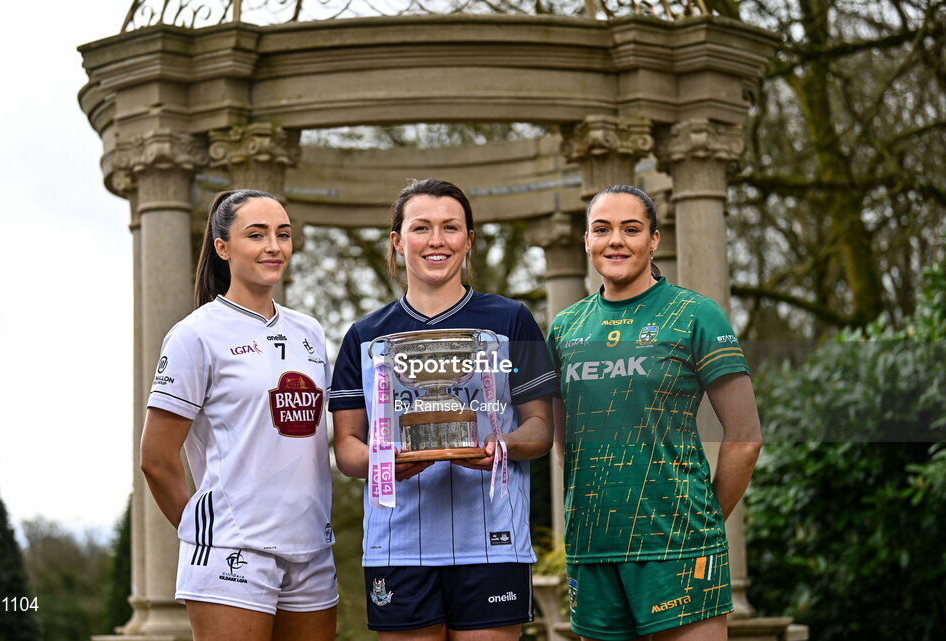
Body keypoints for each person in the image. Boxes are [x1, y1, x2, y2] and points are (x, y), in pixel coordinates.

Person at [330, 178, 557, 640]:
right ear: (398, 241)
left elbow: (540, 431)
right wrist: (385, 462)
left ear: (468, 240)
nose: (437, 241)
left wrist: (502, 445)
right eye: (421, 228)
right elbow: (347, 449)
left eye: (451, 228)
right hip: (396, 547)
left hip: (494, 542)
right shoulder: (364, 336)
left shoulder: (510, 319)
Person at [547, 185, 762, 641]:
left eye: (631, 229)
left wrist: (700, 520)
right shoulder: (564, 328)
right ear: (586, 241)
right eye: (602, 229)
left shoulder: (695, 314)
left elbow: (745, 435)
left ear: (655, 239)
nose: (616, 241)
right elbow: (566, 444)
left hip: (679, 544)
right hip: (593, 549)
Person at [140, 189, 337, 641]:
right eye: (257, 234)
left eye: (283, 234)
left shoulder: (309, 332)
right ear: (222, 247)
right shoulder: (195, 335)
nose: (274, 246)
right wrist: (202, 532)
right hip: (233, 551)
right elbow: (156, 457)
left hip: (312, 548)